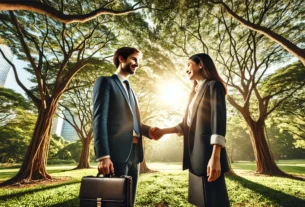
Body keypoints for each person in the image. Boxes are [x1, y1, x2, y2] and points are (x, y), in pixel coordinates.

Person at [152, 53, 230, 206]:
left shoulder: (214, 86)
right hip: (194, 155)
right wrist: (162, 131)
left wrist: (215, 158)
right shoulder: (194, 93)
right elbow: (185, 125)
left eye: (188, 64)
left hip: (209, 155)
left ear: (200, 64)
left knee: (214, 201)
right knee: (200, 201)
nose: (186, 69)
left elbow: (218, 123)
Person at [93, 47, 160, 206]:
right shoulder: (105, 82)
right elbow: (99, 118)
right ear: (121, 59)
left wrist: (149, 131)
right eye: (134, 59)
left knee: (129, 201)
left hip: (135, 155)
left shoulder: (132, 91)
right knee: (114, 202)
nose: (137, 64)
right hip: (116, 155)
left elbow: (134, 123)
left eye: (138, 61)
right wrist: (103, 155)